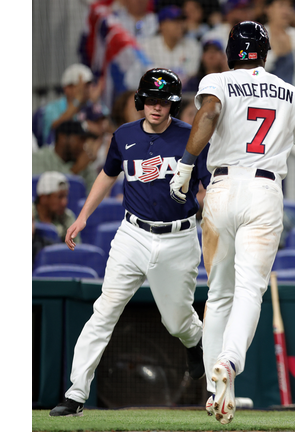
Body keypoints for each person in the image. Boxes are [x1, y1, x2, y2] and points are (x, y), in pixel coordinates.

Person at [167, 21, 295, 425]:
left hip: (219, 190)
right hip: (264, 192)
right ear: (266, 54)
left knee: (218, 295)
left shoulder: (217, 79)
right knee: (250, 289)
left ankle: (218, 390)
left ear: (233, 51)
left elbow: (210, 112)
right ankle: (230, 362)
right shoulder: (290, 92)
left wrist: (185, 166)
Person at [49, 68, 209, 417]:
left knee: (177, 322)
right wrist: (83, 215)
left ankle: (195, 341)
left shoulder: (192, 136)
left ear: (173, 105)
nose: (156, 107)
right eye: (150, 100)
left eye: (164, 102)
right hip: (132, 235)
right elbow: (108, 174)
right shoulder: (123, 135)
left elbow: (209, 186)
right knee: (104, 312)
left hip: (178, 237)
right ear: (140, 100)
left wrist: (216, 224)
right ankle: (75, 394)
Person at [39, 63, 107, 146]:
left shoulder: (91, 104)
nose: (86, 89)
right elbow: (54, 128)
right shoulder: (52, 108)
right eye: (81, 85)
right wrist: (77, 100)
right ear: (67, 88)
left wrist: (95, 102)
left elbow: (109, 127)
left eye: (88, 85)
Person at [262, 0, 295, 94]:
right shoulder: (257, 36)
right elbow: (254, 72)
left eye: (289, 6)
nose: (286, 11)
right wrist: (275, 54)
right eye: (281, 5)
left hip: (293, 98)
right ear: (268, 9)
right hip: (267, 99)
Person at [139, 6, 202, 85]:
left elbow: (189, 76)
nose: (180, 25)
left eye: (182, 20)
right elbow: (150, 77)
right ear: (161, 25)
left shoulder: (193, 46)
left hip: (182, 93)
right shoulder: (147, 46)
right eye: (175, 21)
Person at [32, 120, 101, 193]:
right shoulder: (39, 158)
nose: (82, 145)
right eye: (80, 139)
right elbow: (40, 193)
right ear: (63, 138)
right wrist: (76, 169)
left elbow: (95, 195)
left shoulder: (83, 162)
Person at [33, 171, 79, 244]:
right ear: (43, 198)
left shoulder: (67, 217)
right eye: (60, 197)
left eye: (65, 196)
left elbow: (75, 250)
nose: (65, 202)